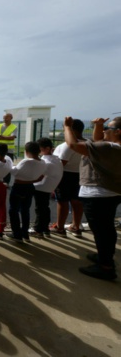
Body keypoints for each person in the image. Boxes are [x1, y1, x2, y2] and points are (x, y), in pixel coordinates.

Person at [64, 116, 121, 281]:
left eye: (107, 129)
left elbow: (73, 145)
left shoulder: (109, 148)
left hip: (98, 195)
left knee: (102, 232)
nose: (104, 131)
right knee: (107, 229)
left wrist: (68, 127)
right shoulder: (112, 147)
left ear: (118, 132)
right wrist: (99, 126)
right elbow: (98, 141)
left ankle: (106, 267)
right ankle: (104, 257)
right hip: (111, 193)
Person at [51, 119, 86, 237]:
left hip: (65, 175)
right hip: (80, 174)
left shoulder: (67, 146)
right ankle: (76, 226)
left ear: (71, 129)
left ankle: (60, 228)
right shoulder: (86, 143)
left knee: (62, 201)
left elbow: (61, 164)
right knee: (77, 202)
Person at [6, 142, 46, 242]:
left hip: (19, 187)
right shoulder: (43, 162)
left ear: (26, 152)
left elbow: (14, 172)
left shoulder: (26, 161)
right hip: (30, 187)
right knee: (25, 211)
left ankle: (17, 234)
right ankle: (25, 233)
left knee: (13, 211)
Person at [30, 138, 63, 239]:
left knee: (40, 209)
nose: (37, 151)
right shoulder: (55, 159)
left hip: (42, 187)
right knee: (45, 208)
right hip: (48, 186)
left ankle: (38, 229)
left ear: (47, 149)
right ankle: (45, 229)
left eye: (39, 149)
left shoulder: (47, 162)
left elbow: (38, 174)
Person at [0, 113, 17, 183]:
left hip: (8, 150)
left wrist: (0, 136)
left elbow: (12, 138)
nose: (4, 119)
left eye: (6, 118)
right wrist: (6, 137)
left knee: (7, 166)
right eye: (4, 118)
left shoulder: (14, 127)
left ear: (11, 118)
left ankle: (6, 182)